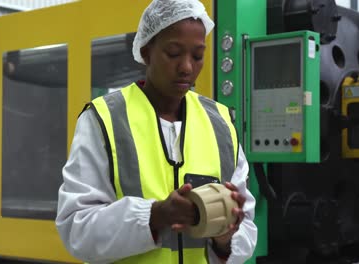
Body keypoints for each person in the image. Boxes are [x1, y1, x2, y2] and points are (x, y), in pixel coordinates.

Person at [55, 0, 257, 263]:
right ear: (146, 52)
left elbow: (247, 228)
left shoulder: (220, 122)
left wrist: (224, 238)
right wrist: (155, 215)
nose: (186, 67)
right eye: (173, 53)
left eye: (197, 56)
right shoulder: (105, 118)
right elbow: (76, 229)